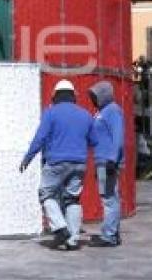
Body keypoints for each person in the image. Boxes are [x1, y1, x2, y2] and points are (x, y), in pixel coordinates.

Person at [20, 79, 96, 250]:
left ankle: (60, 228)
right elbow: (94, 140)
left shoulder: (51, 113)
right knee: (72, 199)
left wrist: (28, 158)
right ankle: (73, 239)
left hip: (56, 163)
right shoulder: (85, 115)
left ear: (56, 96)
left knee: (46, 194)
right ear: (72, 96)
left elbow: (40, 138)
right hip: (79, 164)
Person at [88, 81, 125, 247]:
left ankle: (109, 235)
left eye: (95, 95)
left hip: (107, 161)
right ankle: (113, 233)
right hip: (102, 161)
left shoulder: (112, 111)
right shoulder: (102, 111)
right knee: (110, 198)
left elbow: (118, 136)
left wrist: (112, 159)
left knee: (109, 199)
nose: (93, 99)